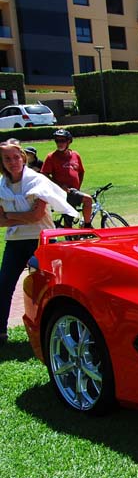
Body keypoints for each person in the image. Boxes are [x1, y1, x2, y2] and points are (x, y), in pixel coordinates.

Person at [0, 139, 78, 345]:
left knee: (50, 287)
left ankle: (56, 330)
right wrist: (22, 216)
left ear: (23, 158)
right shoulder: (1, 186)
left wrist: (10, 215)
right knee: (4, 285)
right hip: (15, 241)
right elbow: (1, 221)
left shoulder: (38, 181)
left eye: (16, 157)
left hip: (41, 240)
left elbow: (37, 216)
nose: (12, 162)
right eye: (7, 159)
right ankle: (1, 333)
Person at [41, 129, 91, 228]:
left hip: (73, 191)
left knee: (68, 220)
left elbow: (81, 172)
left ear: (69, 141)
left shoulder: (75, 155)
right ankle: (87, 226)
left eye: (62, 140)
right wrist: (59, 186)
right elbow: (44, 174)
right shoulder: (51, 157)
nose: (59, 143)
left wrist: (78, 187)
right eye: (57, 141)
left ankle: (70, 234)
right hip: (63, 193)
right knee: (88, 200)